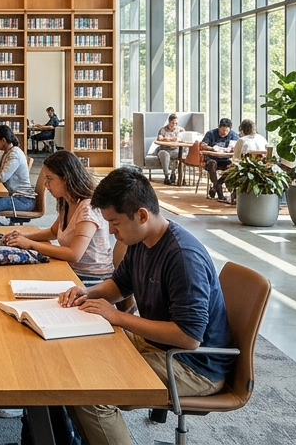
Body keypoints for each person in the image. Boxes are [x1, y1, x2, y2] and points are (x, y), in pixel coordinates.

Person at [61, 166, 232, 444]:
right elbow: (119, 285)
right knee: (75, 360)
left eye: (115, 224)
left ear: (141, 215)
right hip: (160, 345)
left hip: (194, 366)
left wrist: (117, 318)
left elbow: (188, 338)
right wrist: (86, 292)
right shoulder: (140, 239)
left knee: (91, 392)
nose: (112, 232)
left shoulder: (182, 257)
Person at [2, 150, 114, 285]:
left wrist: (31, 244)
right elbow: (54, 232)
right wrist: (24, 236)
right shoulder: (68, 201)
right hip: (73, 271)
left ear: (66, 179)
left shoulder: (87, 208)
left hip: (93, 279)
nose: (45, 185)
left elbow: (74, 254)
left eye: (49, 179)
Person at [201, 118, 239, 201]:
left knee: (232, 168)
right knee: (212, 164)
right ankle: (219, 191)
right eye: (222, 130)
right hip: (211, 158)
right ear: (219, 128)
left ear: (230, 129)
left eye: (226, 131)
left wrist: (233, 149)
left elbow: (238, 147)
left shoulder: (234, 135)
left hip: (225, 160)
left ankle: (216, 185)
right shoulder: (211, 133)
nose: (224, 133)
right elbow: (203, 145)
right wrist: (212, 148)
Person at [150, 114, 185, 184]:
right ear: (169, 122)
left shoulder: (181, 130)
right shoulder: (163, 130)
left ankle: (174, 174)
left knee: (181, 154)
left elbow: (182, 139)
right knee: (164, 154)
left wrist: (166, 138)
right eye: (173, 123)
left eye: (176, 123)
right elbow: (159, 138)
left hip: (176, 149)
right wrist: (172, 139)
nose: (174, 125)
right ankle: (166, 176)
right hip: (164, 149)